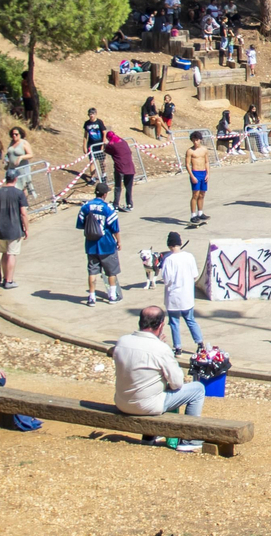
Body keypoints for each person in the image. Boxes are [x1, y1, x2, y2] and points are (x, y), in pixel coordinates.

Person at [113, 307, 206, 452]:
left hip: (122, 402)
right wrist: (163, 346)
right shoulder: (160, 349)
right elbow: (177, 383)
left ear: (140, 321)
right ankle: (189, 439)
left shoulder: (122, 341)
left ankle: (149, 437)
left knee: (150, 385)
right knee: (198, 389)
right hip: (147, 406)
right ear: (161, 325)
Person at [157, 232, 205, 357]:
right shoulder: (189, 257)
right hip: (187, 295)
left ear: (169, 245)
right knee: (190, 320)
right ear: (180, 243)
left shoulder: (168, 260)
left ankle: (178, 347)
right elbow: (195, 275)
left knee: (174, 322)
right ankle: (200, 343)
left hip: (173, 297)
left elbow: (167, 280)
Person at [76, 182, 123, 307]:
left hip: (91, 246)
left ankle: (92, 297)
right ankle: (112, 296)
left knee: (92, 272)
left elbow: (80, 224)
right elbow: (115, 228)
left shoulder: (86, 206)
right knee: (111, 272)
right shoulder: (108, 208)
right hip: (107, 245)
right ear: (105, 194)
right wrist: (118, 241)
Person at [0, 169, 29, 289]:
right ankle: (10, 280)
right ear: (16, 179)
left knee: (3, 254)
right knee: (11, 254)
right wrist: (26, 228)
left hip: (0, 229)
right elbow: (23, 213)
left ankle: (4, 278)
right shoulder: (19, 193)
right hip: (14, 229)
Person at [104, 129, 136, 211]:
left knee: (118, 187)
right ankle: (129, 204)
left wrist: (104, 144)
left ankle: (116, 205)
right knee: (128, 187)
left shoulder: (111, 144)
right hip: (130, 168)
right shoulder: (123, 142)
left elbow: (106, 150)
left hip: (120, 168)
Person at [184, 131, 210, 228]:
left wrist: (208, 173)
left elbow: (207, 162)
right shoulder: (190, 151)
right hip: (195, 173)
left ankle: (200, 212)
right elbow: (187, 164)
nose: (195, 142)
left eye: (197, 140)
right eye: (194, 140)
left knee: (202, 194)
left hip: (203, 172)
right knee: (195, 194)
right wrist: (192, 175)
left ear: (200, 140)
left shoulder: (204, 150)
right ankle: (193, 215)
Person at [3, 126, 35, 196]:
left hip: (22, 169)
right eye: (13, 134)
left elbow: (31, 155)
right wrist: (6, 159)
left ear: (20, 135)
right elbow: (9, 153)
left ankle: (24, 204)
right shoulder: (11, 143)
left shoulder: (24, 143)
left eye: (16, 134)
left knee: (23, 187)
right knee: (12, 186)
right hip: (11, 168)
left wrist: (21, 157)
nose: (14, 136)